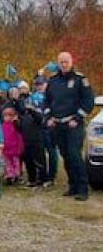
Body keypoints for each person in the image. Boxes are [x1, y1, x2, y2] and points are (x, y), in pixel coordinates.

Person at [44, 51, 94, 201]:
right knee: (65, 156)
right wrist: (48, 117)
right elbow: (47, 101)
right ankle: (72, 186)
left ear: (71, 62)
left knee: (74, 155)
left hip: (73, 125)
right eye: (61, 62)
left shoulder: (80, 79)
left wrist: (77, 118)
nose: (63, 64)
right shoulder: (52, 81)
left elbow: (88, 102)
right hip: (58, 125)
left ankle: (83, 188)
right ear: (57, 63)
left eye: (66, 61)